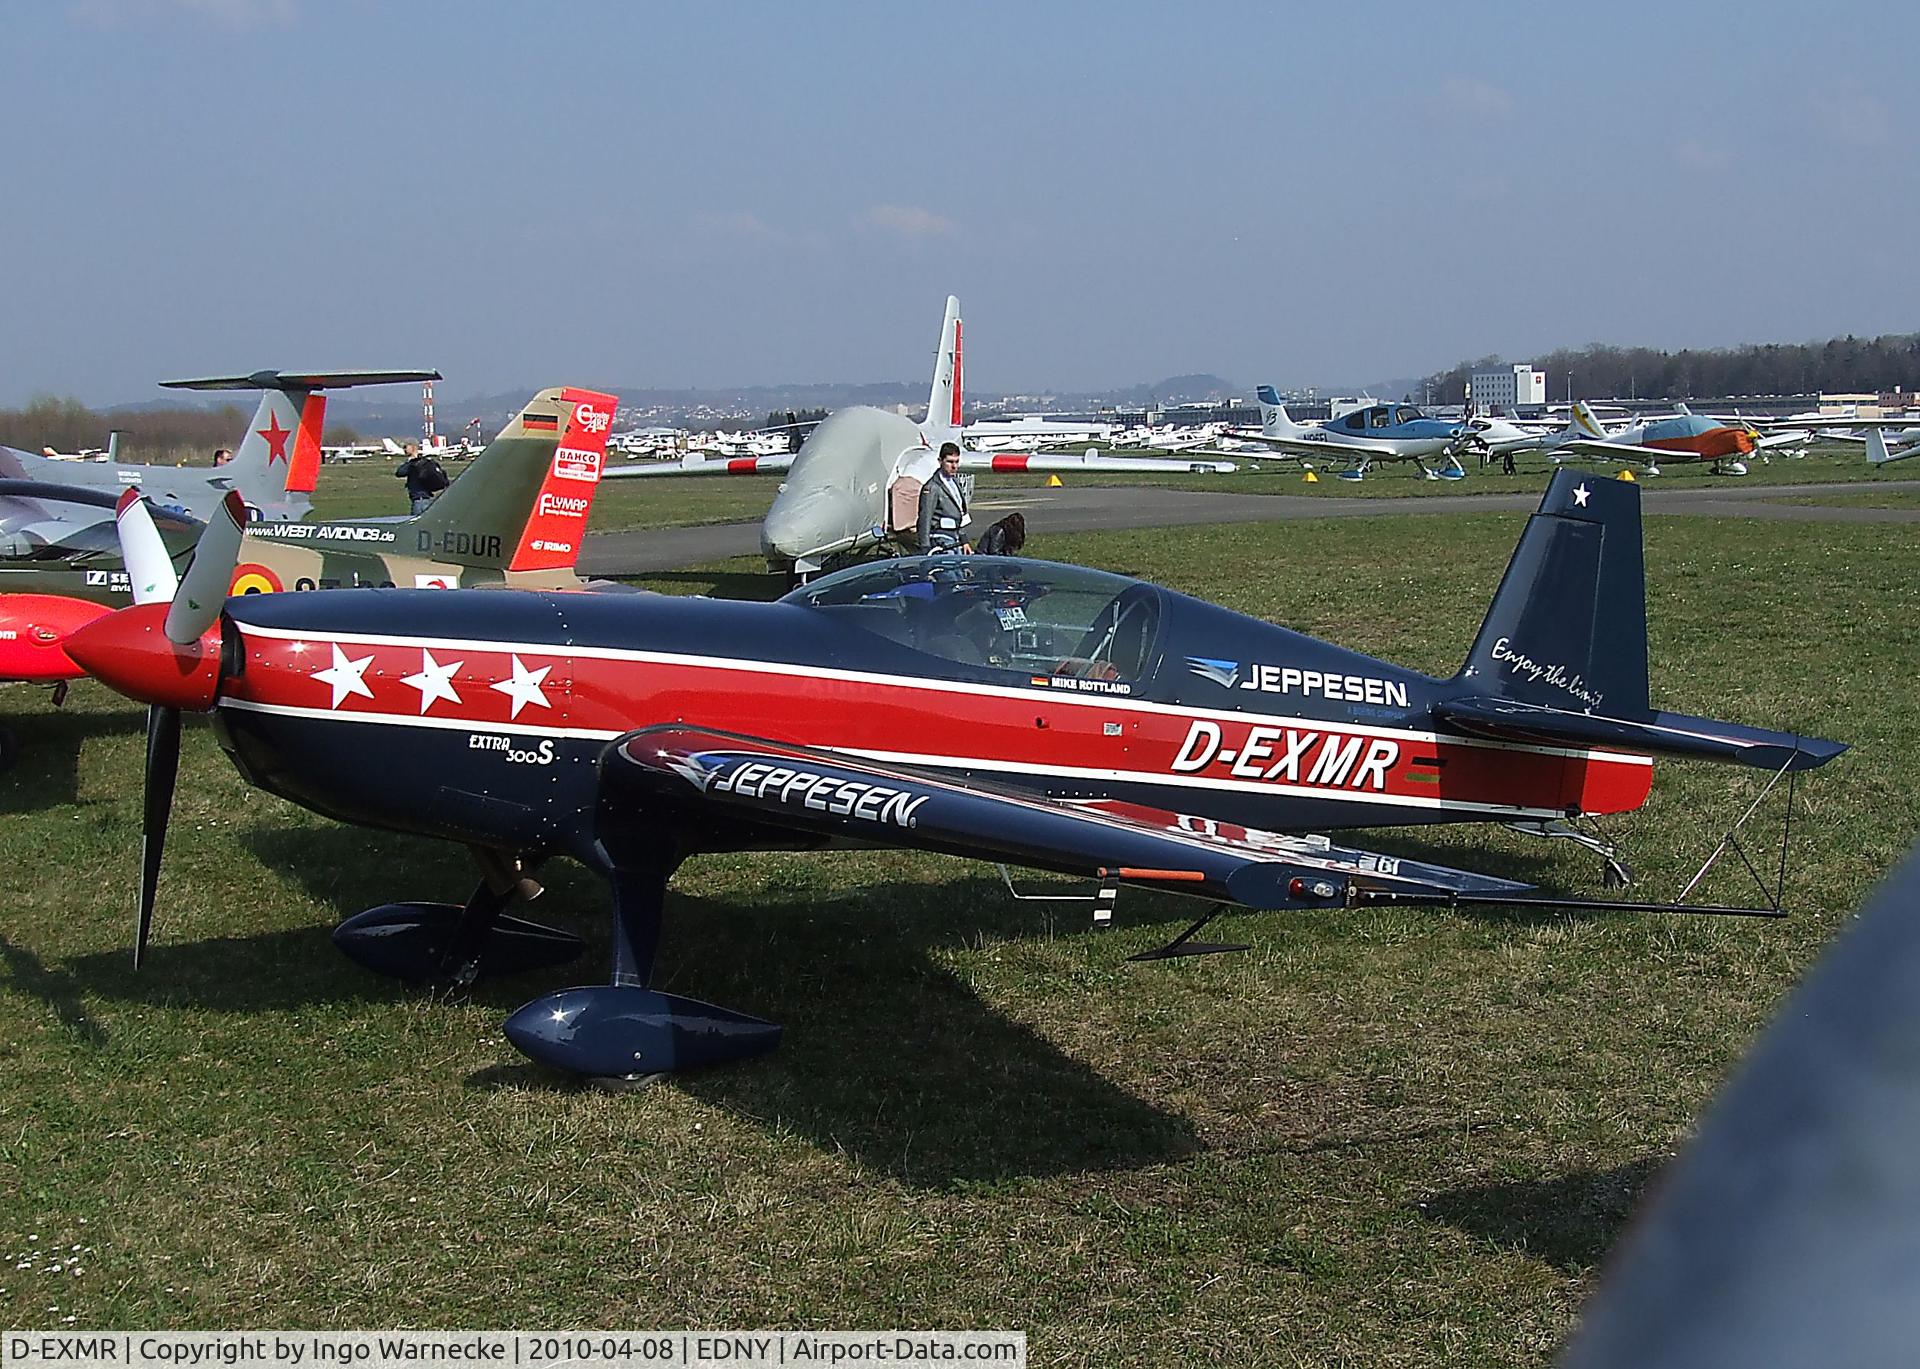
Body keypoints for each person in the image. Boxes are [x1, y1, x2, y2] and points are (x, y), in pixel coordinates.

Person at [916, 442, 971, 554]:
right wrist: (925, 547)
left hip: (955, 538)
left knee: (959, 570)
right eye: (950, 462)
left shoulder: (955, 483)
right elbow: (925, 518)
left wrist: (964, 540)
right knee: (949, 570)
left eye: (956, 462)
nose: (954, 466)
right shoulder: (932, 487)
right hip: (940, 538)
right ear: (940, 461)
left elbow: (960, 512)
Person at [395, 441, 449, 515]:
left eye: (405, 447)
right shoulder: (426, 462)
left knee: (416, 524)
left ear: (413, 447)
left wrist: (409, 461)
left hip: (419, 500)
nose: (404, 449)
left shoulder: (413, 464)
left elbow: (399, 472)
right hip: (428, 498)